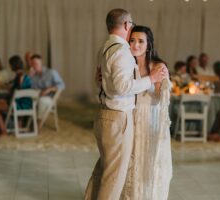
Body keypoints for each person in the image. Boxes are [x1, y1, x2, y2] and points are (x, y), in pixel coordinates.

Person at [84, 9, 167, 200]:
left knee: (105, 171)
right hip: (117, 118)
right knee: (113, 178)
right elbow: (122, 87)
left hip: (106, 114)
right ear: (126, 25)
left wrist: (100, 82)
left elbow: (108, 82)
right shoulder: (121, 50)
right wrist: (150, 79)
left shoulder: (106, 47)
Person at [120, 25, 172, 200]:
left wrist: (161, 81)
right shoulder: (126, 64)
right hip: (128, 118)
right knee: (127, 162)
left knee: (146, 162)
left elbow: (159, 96)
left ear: (149, 44)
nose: (135, 45)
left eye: (141, 41)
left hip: (149, 119)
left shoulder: (157, 65)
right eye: (132, 40)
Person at [0, 56, 32, 136]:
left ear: (13, 65)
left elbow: (18, 92)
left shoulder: (20, 76)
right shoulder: (23, 74)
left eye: (10, 65)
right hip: (28, 103)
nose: (10, 67)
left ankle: (3, 131)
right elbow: (14, 87)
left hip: (20, 104)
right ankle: (16, 126)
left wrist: (7, 100)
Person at [29, 54, 65, 125]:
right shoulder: (33, 76)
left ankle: (38, 124)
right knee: (25, 100)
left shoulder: (51, 72)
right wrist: (29, 77)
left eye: (36, 63)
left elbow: (62, 85)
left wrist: (49, 89)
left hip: (49, 97)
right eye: (33, 63)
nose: (34, 65)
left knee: (42, 101)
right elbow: (30, 88)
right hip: (36, 96)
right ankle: (25, 122)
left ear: (41, 62)